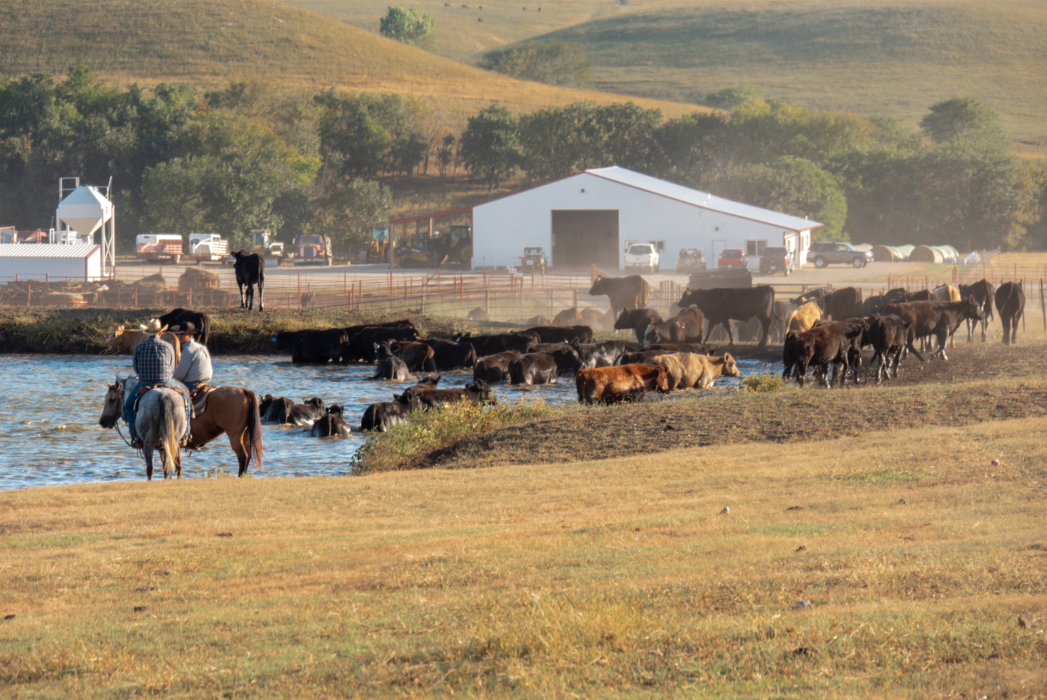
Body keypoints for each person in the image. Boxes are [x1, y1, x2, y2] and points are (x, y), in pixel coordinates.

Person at [123, 319, 192, 449]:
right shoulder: (168, 346)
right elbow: (172, 367)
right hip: (166, 381)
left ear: (147, 333)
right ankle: (186, 435)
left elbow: (136, 369)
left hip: (145, 382)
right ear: (160, 333)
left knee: (128, 406)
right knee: (186, 400)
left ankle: (135, 437)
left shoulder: (139, 347)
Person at [170, 322, 213, 392]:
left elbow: (180, 374)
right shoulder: (202, 347)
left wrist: (169, 378)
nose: (179, 336)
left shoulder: (188, 349)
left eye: (183, 334)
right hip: (205, 382)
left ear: (190, 335)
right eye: (179, 334)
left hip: (191, 384)